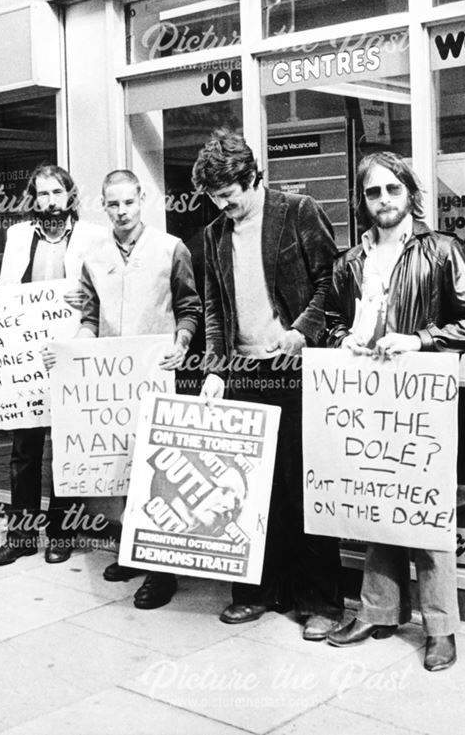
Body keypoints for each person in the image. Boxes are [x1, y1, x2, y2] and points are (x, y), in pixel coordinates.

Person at [324, 151, 465, 672]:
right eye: (373, 193)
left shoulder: (441, 250)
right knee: (379, 499)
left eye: (392, 190)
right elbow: (330, 321)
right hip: (368, 398)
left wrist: (418, 340)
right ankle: (379, 610)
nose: (384, 201)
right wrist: (343, 341)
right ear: (363, 200)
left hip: (422, 401)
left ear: (410, 194)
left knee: (425, 508)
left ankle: (440, 628)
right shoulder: (351, 262)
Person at [194, 129, 344, 640]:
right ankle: (257, 592)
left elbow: (333, 281)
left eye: (230, 192)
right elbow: (215, 309)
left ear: (252, 176)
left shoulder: (298, 210)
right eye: (216, 196)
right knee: (249, 492)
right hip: (243, 371)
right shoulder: (215, 234)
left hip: (298, 370)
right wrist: (214, 369)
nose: (225, 203)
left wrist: (304, 330)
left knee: (304, 487)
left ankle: (320, 601)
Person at [74, 169, 200, 610]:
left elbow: (190, 307)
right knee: (123, 466)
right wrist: (82, 347)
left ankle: (163, 571)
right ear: (103, 205)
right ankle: (132, 549)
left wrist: (181, 342)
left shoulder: (171, 248)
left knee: (159, 471)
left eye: (129, 202)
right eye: (113, 204)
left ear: (141, 199)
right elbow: (90, 315)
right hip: (113, 380)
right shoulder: (93, 254)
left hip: (157, 373)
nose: (122, 211)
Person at [0, 163, 105, 567]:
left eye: (57, 192)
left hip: (71, 352)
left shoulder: (93, 237)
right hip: (26, 358)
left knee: (66, 450)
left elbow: (106, 295)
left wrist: (86, 298)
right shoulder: (18, 236)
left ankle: (61, 533)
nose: (49, 201)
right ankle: (19, 538)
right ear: (33, 199)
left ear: (69, 195)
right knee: (24, 450)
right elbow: (4, 295)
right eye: (42, 194)